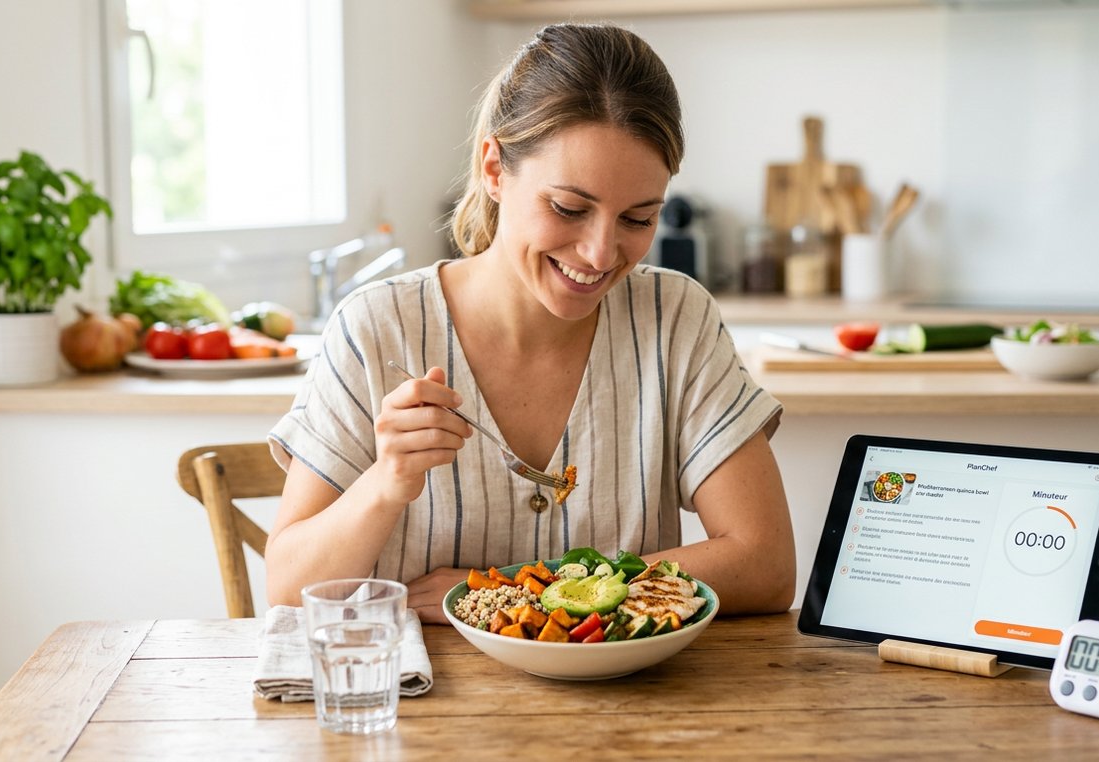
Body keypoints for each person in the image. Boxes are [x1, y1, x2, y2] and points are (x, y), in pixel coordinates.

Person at [265, 22, 796, 623]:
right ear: (494, 169)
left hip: (636, 686)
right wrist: (385, 482)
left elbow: (765, 564)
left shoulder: (675, 318)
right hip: (426, 683)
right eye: (568, 208)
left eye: (638, 219)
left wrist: (520, 592)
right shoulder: (375, 327)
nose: (600, 253)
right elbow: (289, 586)